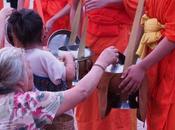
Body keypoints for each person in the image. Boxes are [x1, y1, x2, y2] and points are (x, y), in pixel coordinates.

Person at [0, 45, 118, 129]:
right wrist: (102, 62)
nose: (31, 71)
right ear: (20, 82)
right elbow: (82, 91)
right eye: (28, 67)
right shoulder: (26, 103)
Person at [71, 0, 137, 130]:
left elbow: (140, 6)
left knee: (115, 102)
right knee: (89, 100)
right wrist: (78, 45)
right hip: (89, 42)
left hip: (118, 43)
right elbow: (74, 7)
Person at [119, 0, 175, 130]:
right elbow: (144, 18)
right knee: (155, 108)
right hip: (154, 61)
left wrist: (142, 66)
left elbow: (173, 36)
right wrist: (128, 54)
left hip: (169, 63)